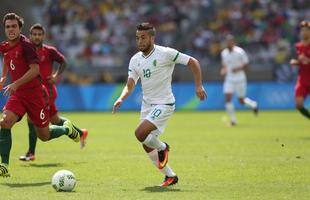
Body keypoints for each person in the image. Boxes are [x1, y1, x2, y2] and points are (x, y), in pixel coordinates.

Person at [112, 22, 207, 186]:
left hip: (164, 103)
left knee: (140, 134)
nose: (139, 41)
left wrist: (198, 85)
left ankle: (163, 147)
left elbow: (193, 62)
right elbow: (130, 84)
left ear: (152, 38)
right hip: (147, 105)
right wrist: (121, 97)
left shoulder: (165, 53)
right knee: (146, 143)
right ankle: (170, 176)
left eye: (143, 38)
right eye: (137, 38)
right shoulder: (135, 60)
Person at [0, 13, 80, 177]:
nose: (11, 29)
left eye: (14, 26)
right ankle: (4, 166)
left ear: (20, 28)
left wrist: (15, 83)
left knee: (44, 135)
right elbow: (8, 60)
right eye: (8, 27)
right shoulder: (5, 46)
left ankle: (66, 129)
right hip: (18, 95)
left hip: (35, 95)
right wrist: (3, 76)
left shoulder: (27, 46)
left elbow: (35, 70)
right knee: (5, 122)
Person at [18, 23, 88, 161]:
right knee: (55, 120)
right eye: (34, 34)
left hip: (46, 93)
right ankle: (81, 133)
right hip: (33, 92)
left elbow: (64, 62)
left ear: (43, 36)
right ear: (30, 36)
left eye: (39, 34)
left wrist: (56, 75)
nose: (37, 37)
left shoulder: (49, 51)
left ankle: (31, 153)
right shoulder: (26, 51)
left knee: (31, 119)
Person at [220, 34, 258, 126]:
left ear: (233, 42)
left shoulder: (240, 52)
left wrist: (238, 68)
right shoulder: (224, 53)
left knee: (241, 100)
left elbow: (247, 65)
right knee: (227, 99)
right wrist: (223, 70)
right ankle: (233, 121)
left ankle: (253, 105)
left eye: (230, 41)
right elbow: (225, 65)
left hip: (240, 78)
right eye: (227, 41)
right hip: (229, 79)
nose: (229, 43)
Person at [290, 21, 310, 120]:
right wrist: (295, 62)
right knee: (298, 105)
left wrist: (308, 61)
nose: (304, 33)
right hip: (302, 80)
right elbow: (297, 60)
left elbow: (306, 61)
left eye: (306, 30)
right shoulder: (297, 46)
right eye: (302, 31)